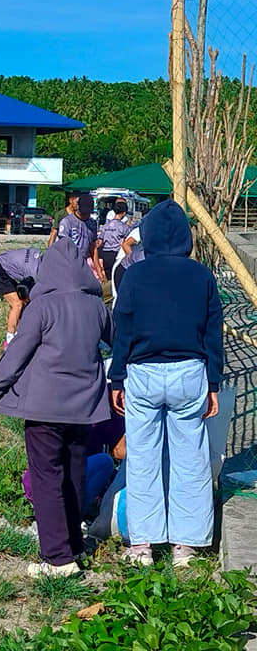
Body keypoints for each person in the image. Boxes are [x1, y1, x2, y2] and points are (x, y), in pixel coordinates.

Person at [0, 238, 113, 578]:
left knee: (47, 479)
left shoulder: (41, 306)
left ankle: (57, 558)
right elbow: (120, 342)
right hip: (85, 409)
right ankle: (74, 546)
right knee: (74, 475)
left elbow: (16, 355)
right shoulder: (97, 307)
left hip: (44, 409)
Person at [109, 199, 223, 567]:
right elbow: (213, 333)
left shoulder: (135, 275)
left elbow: (123, 329)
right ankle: (186, 546)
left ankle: (143, 544)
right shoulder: (202, 276)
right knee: (191, 458)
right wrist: (213, 382)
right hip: (190, 371)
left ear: (150, 236)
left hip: (143, 372)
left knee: (143, 457)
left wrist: (117, 376)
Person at [0, 247, 43, 348]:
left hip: (6, 264)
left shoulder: (39, 255)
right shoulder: (33, 272)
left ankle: (20, 333)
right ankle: (9, 341)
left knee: (24, 304)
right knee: (17, 304)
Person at [54, 193, 103, 281]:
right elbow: (63, 247)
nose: (85, 215)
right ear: (78, 207)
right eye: (83, 212)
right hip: (68, 263)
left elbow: (93, 248)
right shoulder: (67, 222)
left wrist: (99, 271)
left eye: (88, 213)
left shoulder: (92, 223)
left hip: (83, 263)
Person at [95, 200, 130, 280]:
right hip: (116, 254)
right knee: (116, 278)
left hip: (105, 255)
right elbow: (126, 242)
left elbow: (100, 242)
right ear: (124, 213)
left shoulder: (105, 226)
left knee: (108, 278)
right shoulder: (123, 227)